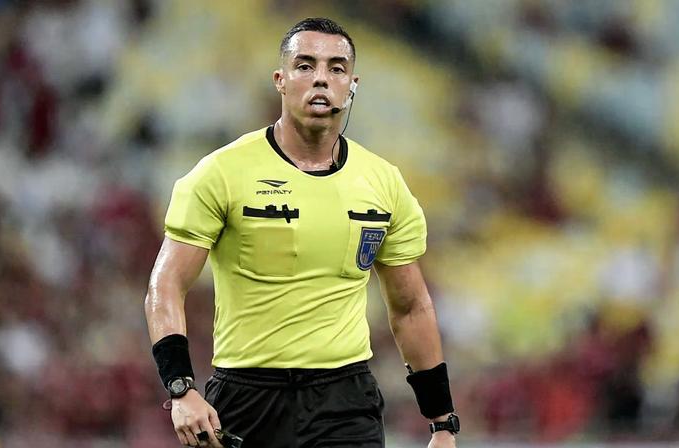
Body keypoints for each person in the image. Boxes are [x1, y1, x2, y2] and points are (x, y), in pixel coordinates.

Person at [145, 17, 459, 448]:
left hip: (344, 401)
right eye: (305, 65)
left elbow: (411, 308)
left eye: (336, 68)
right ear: (280, 79)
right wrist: (181, 389)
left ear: (352, 84)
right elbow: (165, 285)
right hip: (244, 399)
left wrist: (442, 423)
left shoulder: (384, 183)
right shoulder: (221, 173)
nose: (321, 80)